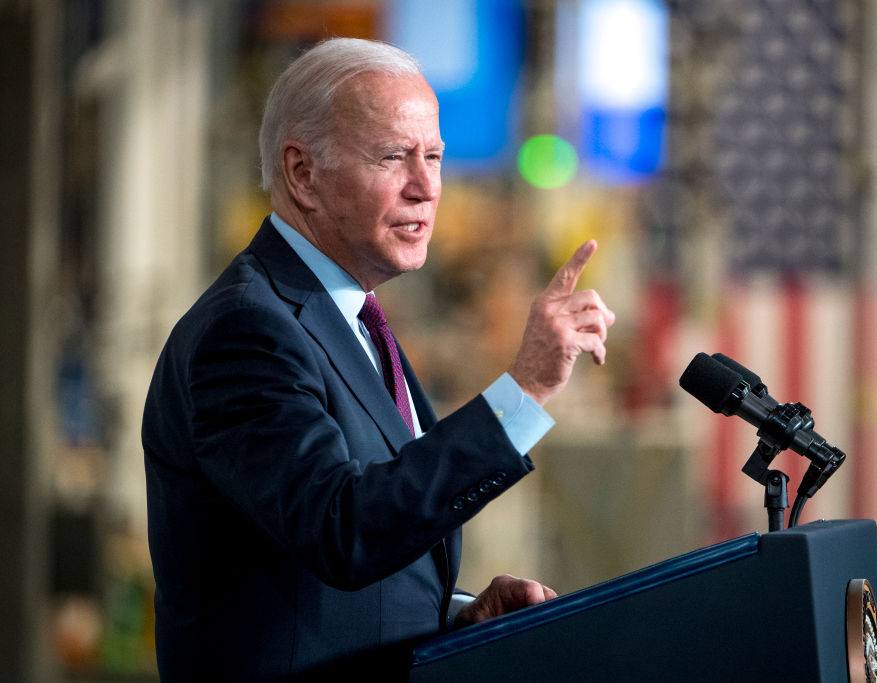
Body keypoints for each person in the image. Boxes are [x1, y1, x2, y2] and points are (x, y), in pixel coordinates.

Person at [142, 37, 615, 681]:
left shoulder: (350, 319)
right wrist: (523, 390)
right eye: (394, 157)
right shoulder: (247, 329)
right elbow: (341, 528)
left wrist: (450, 618)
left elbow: (352, 557)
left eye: (434, 156)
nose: (425, 187)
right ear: (303, 173)